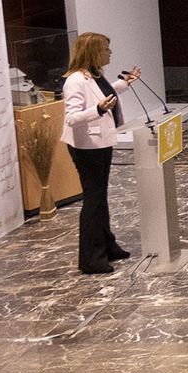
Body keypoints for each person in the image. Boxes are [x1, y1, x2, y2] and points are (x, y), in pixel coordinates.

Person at [60, 32, 141, 275]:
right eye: (106, 49)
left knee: (100, 197)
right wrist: (97, 109)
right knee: (93, 200)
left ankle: (107, 245)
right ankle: (91, 259)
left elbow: (105, 92)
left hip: (100, 142)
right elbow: (72, 117)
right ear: (93, 51)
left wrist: (125, 83)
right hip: (86, 146)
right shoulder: (75, 80)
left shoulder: (95, 74)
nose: (110, 53)